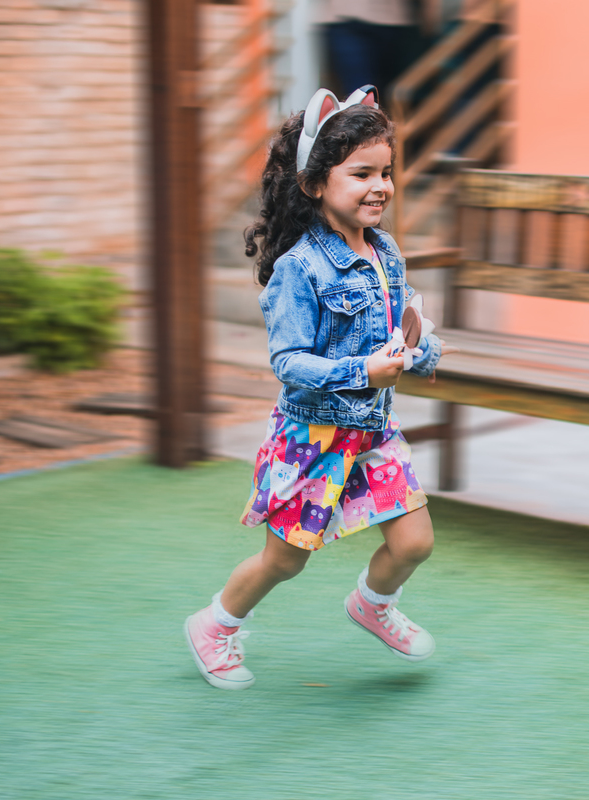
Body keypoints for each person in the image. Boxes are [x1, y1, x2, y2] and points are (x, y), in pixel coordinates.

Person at [185, 86, 446, 690]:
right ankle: (215, 624)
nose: (380, 185)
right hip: (313, 436)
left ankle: (372, 606)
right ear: (314, 184)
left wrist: (422, 347)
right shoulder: (298, 269)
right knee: (286, 558)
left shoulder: (385, 250)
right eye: (361, 173)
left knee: (414, 541)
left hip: (373, 431)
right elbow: (289, 361)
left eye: (386, 172)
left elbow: (396, 323)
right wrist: (362, 373)